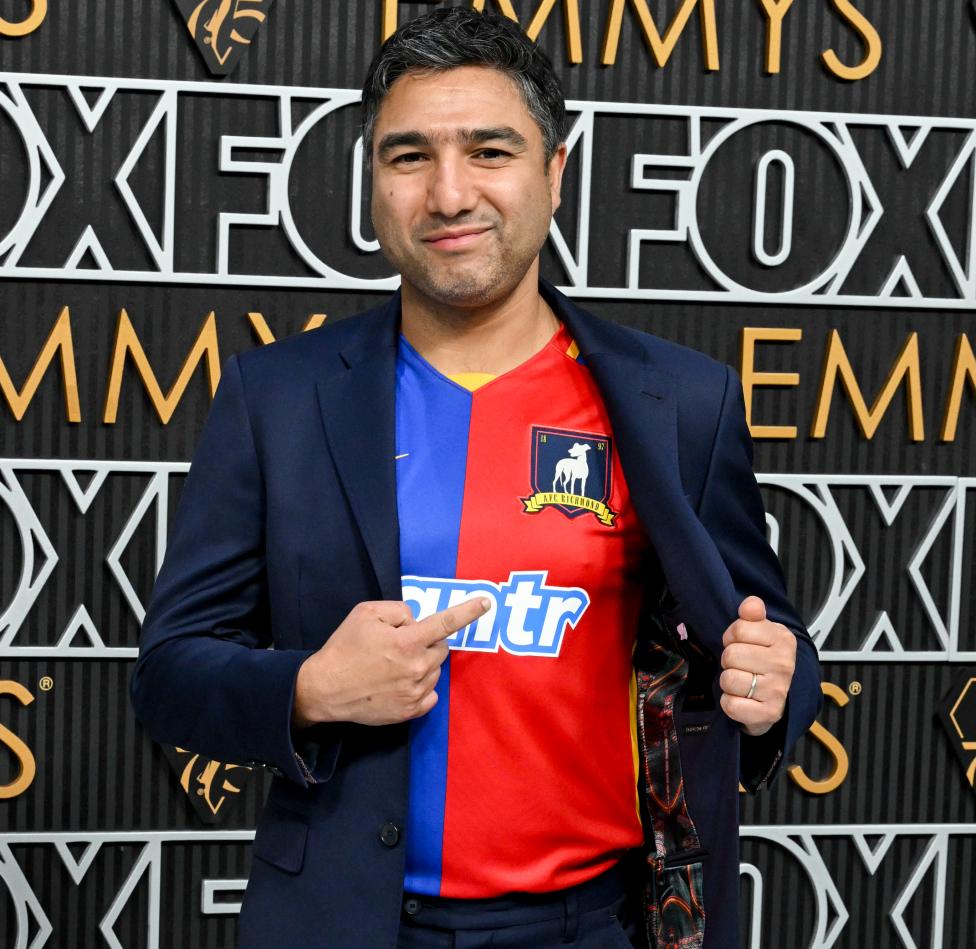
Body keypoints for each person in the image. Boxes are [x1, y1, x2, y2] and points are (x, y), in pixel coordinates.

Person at [131, 8, 821, 948]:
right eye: (408, 156)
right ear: (373, 181)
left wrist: (777, 678)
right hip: (344, 923)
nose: (449, 193)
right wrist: (310, 687)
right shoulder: (278, 396)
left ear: (557, 174)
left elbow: (765, 636)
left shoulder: (681, 403)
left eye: (489, 151)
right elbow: (168, 674)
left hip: (597, 925)